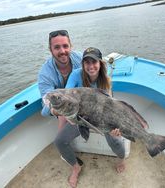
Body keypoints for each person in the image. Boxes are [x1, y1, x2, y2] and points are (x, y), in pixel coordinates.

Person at [55, 47, 126, 187]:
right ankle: (76, 167)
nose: (90, 66)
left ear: (100, 63)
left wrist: (114, 127)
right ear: (82, 64)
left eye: (94, 62)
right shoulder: (76, 75)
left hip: (101, 118)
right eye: (86, 62)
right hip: (80, 118)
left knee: (116, 141)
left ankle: (122, 159)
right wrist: (61, 111)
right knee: (59, 141)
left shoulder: (105, 80)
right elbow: (66, 95)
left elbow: (109, 107)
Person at [37, 30, 83, 188]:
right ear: (50, 50)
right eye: (57, 47)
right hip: (62, 107)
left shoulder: (81, 58)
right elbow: (46, 101)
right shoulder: (45, 73)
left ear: (71, 46)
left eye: (65, 46)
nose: (62, 51)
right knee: (60, 138)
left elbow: (99, 70)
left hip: (83, 102)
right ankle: (75, 167)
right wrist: (56, 110)